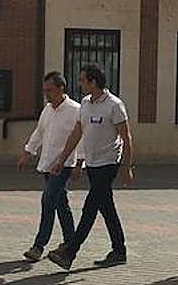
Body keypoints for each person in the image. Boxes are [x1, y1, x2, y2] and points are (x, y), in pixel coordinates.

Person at [47, 64, 134, 269]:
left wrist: (126, 167)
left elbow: (127, 138)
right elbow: (76, 133)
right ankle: (119, 250)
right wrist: (62, 159)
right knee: (106, 208)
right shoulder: (85, 104)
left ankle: (70, 252)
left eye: (82, 80)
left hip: (108, 163)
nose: (80, 83)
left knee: (90, 208)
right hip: (92, 164)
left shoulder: (114, 105)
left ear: (93, 82)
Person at [20, 71, 82, 261]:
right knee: (61, 204)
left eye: (50, 90)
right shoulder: (47, 109)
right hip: (47, 164)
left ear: (61, 88)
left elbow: (82, 137)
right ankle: (70, 241)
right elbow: (39, 132)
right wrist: (28, 152)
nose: (47, 94)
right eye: (45, 90)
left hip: (64, 165)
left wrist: (80, 163)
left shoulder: (75, 110)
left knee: (47, 201)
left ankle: (39, 246)